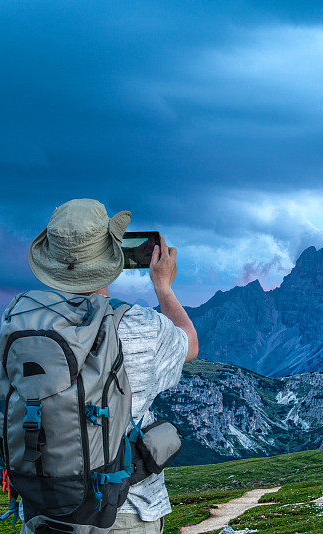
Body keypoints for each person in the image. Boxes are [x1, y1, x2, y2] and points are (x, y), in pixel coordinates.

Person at [25, 198, 198, 533]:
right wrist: (163, 286)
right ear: (112, 258)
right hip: (124, 511)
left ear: (51, 261)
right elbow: (189, 344)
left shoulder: (21, 322)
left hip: (44, 511)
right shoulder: (140, 326)